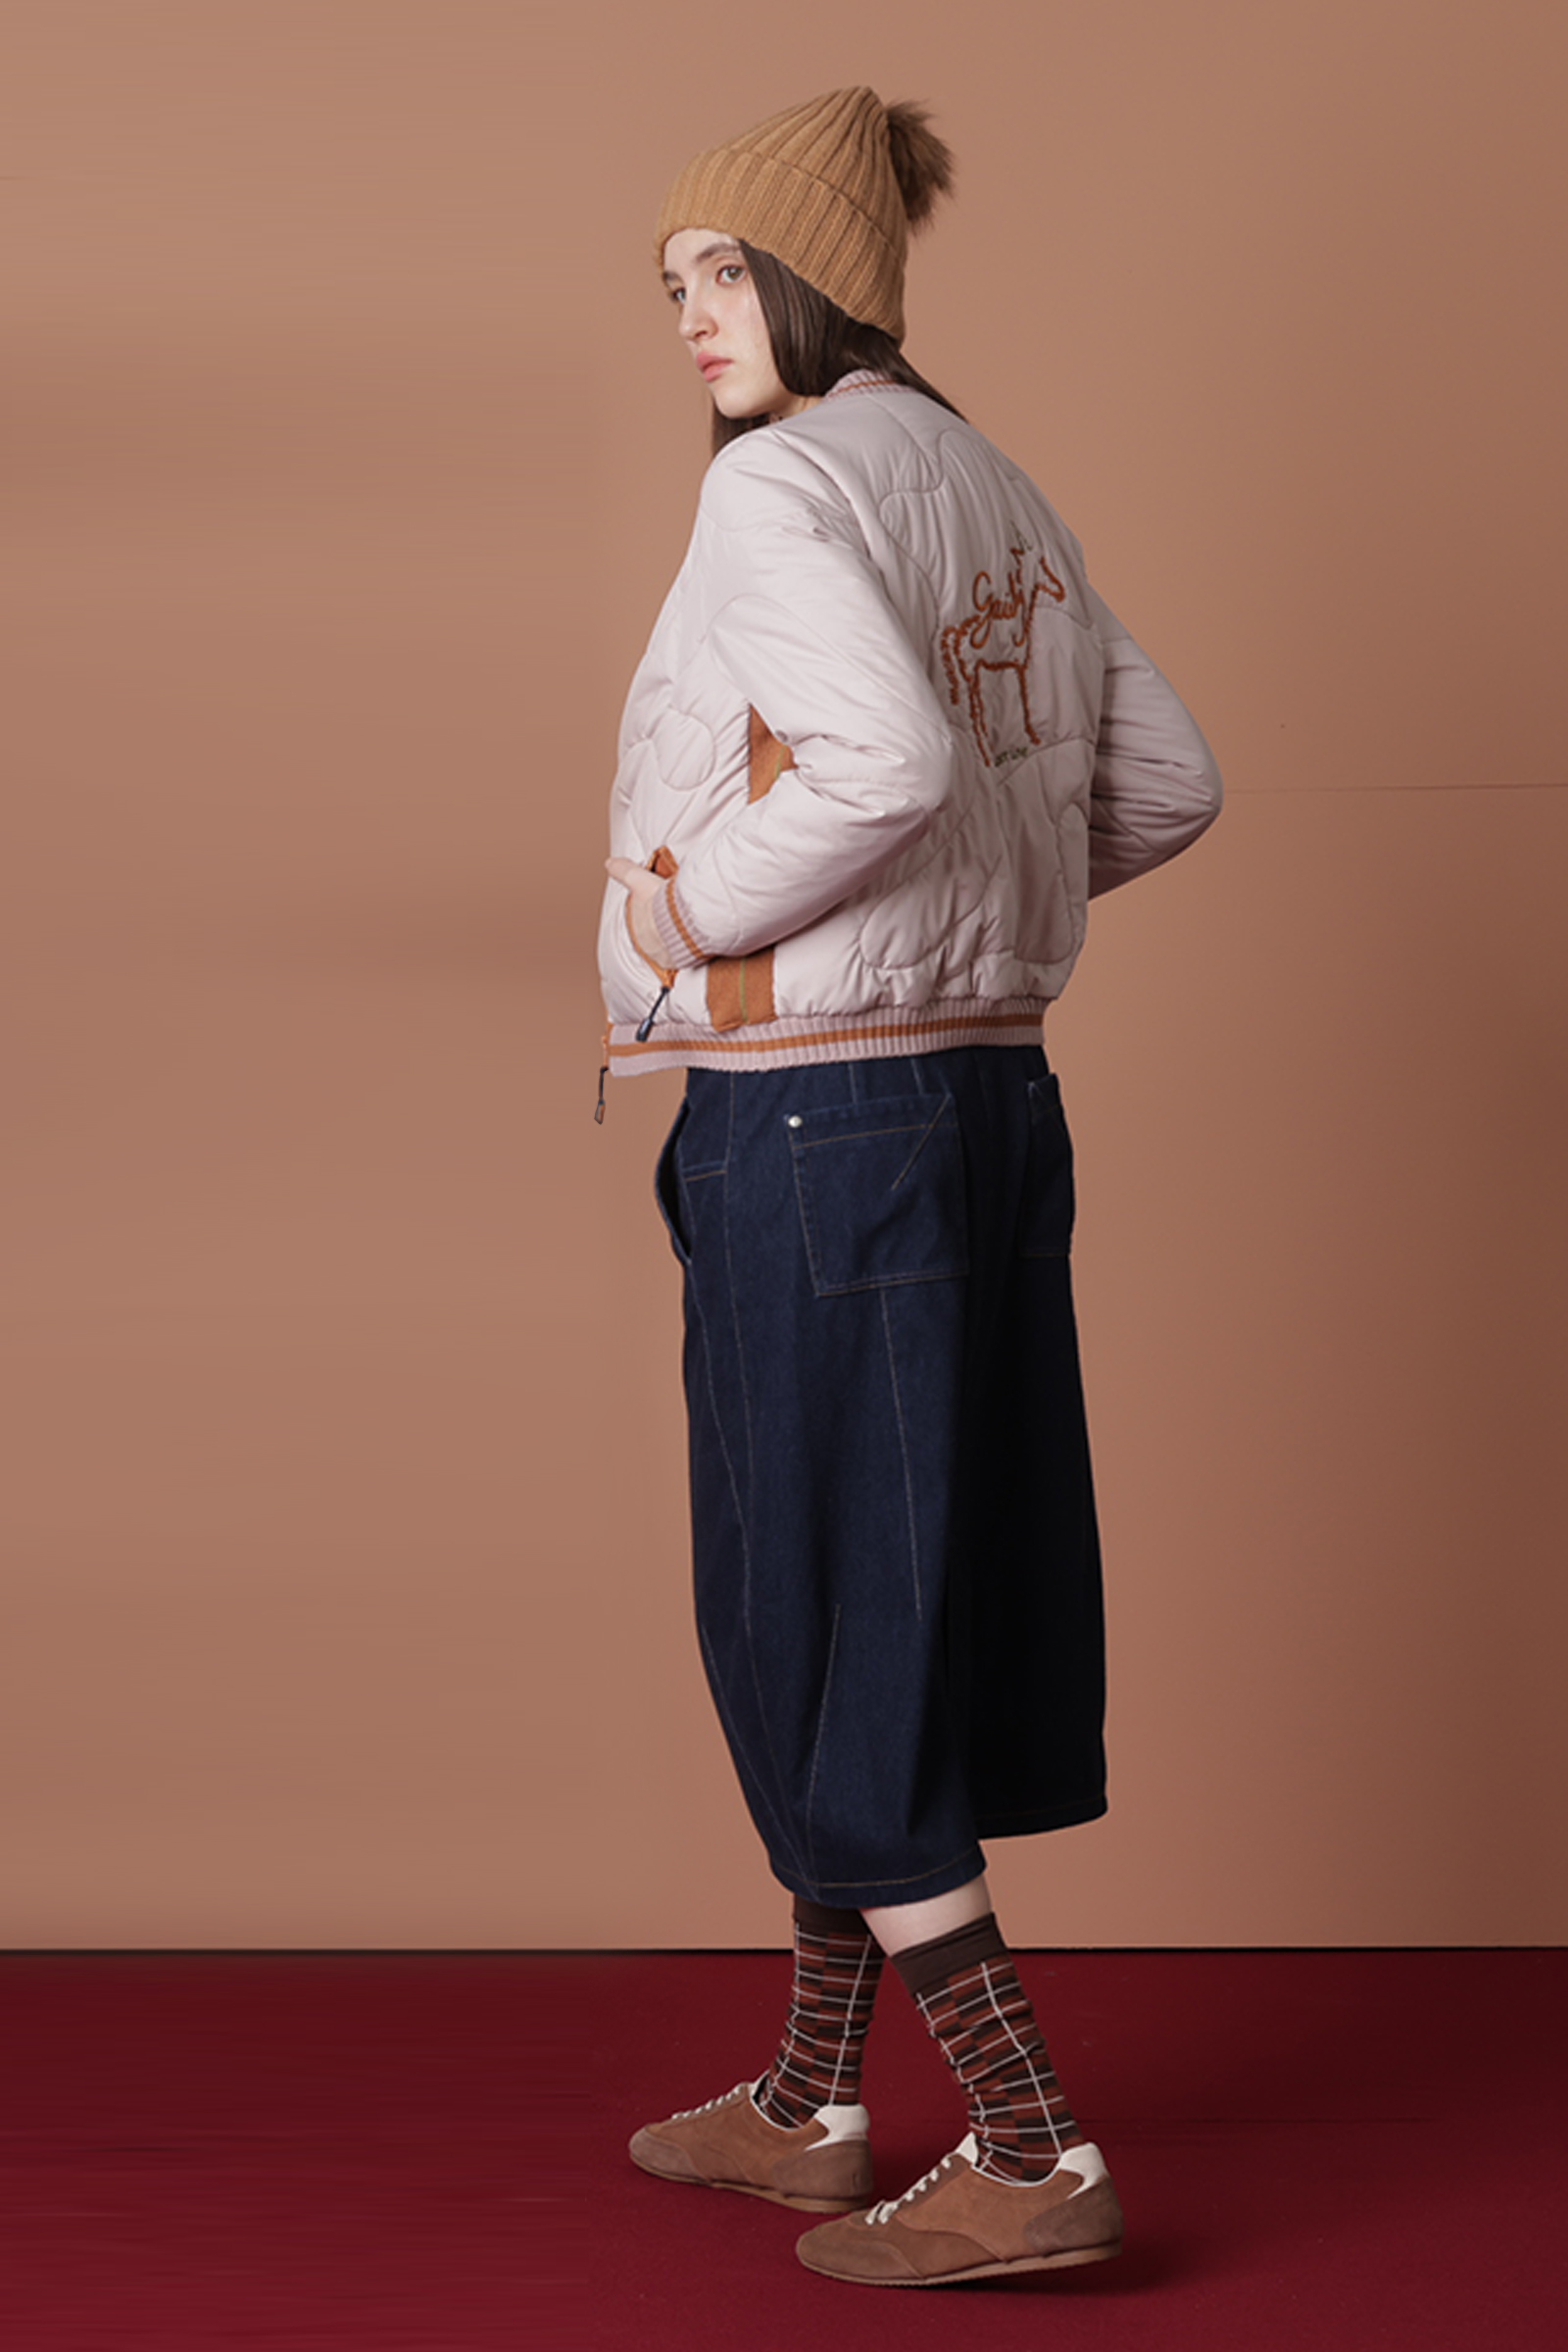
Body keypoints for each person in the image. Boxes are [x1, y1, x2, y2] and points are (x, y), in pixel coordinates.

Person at [597, 86, 1221, 2287]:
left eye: (719, 270)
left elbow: (880, 759)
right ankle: (810, 2101)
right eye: (668, 281)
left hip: (817, 1122)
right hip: (985, 1102)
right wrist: (981, 911)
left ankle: (1032, 2145)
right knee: (904, 1587)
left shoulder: (780, 484)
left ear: (815, 279)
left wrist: (688, 918)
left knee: (816, 1602)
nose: (689, 313)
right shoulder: (992, 483)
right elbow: (1164, 783)